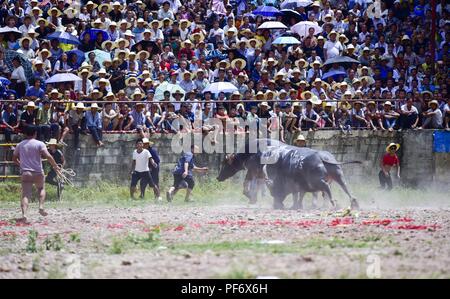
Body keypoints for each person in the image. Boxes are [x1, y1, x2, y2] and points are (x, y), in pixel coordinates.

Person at [12, 125, 61, 223]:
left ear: (25, 134)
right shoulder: (40, 144)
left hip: (26, 172)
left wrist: (21, 164)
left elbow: (14, 159)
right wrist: (55, 166)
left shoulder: (20, 145)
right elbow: (48, 156)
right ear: (35, 133)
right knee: (41, 188)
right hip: (38, 172)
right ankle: (41, 207)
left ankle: (24, 214)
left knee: (25, 194)